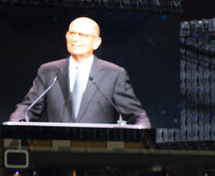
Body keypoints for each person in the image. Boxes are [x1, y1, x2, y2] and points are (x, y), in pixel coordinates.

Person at [9, 17, 150, 127]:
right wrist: (13, 125)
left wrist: (143, 136)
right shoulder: (48, 71)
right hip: (56, 153)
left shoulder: (114, 74)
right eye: (72, 33)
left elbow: (136, 115)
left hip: (99, 154)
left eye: (82, 35)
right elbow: (28, 107)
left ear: (96, 42)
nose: (75, 39)